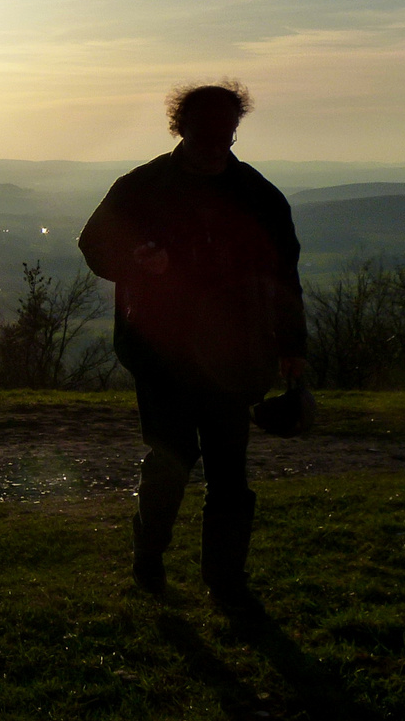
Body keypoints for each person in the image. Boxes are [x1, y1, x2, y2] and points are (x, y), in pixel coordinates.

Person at [77, 81, 305, 615]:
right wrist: (135, 261)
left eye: (225, 131)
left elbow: (283, 275)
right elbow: (95, 245)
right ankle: (150, 560)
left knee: (228, 470)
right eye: (208, 132)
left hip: (235, 352)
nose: (217, 142)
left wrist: (291, 345)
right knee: (171, 461)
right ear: (183, 129)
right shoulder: (142, 187)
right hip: (162, 352)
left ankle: (223, 580)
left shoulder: (258, 195)